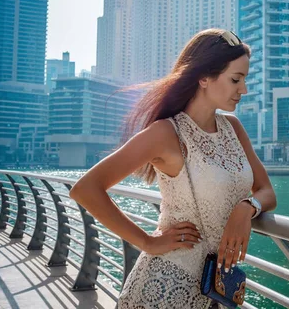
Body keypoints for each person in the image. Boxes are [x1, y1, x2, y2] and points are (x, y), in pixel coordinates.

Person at [69, 28, 277, 308]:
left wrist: (246, 208)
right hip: (166, 288)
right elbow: (86, 189)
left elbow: (266, 191)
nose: (244, 89)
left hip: (217, 290)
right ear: (204, 77)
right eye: (236, 79)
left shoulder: (234, 129)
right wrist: (147, 243)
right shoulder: (166, 133)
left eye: (245, 79)